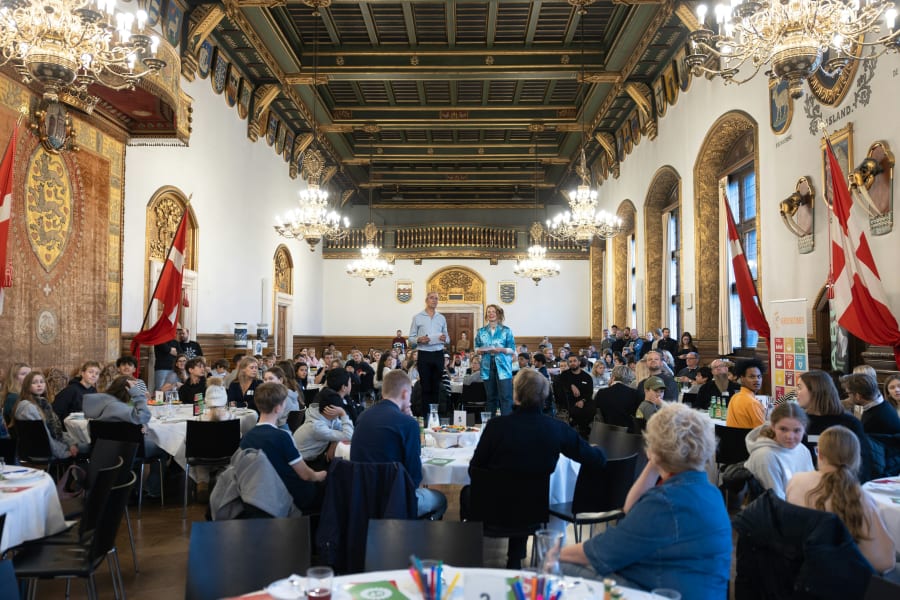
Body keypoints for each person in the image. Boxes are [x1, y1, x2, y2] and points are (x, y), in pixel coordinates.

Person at [559, 403, 731, 598]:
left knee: (562, 565)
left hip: (661, 592)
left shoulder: (664, 502)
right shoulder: (711, 493)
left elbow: (603, 551)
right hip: (695, 588)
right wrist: (655, 461)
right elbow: (629, 508)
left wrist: (553, 554)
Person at [468, 368, 607, 568]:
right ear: (545, 396)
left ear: (515, 395)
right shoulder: (556, 428)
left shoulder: (496, 426)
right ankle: (515, 559)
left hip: (491, 511)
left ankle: (470, 555)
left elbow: (474, 469)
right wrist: (599, 449)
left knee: (474, 492)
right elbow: (596, 460)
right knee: (524, 493)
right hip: (533, 511)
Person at [786, 425, 896, 574]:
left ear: (819, 454)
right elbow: (885, 562)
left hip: (799, 569)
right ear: (857, 458)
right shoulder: (860, 497)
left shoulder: (796, 481)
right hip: (844, 577)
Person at [350, 370, 447, 519]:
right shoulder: (408, 424)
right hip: (395, 500)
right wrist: (410, 420)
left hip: (362, 498)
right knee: (441, 499)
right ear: (405, 393)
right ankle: (413, 530)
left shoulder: (363, 417)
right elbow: (414, 476)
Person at [239, 382, 326, 513]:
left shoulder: (247, 437)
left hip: (259, 494)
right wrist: (321, 475)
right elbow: (305, 475)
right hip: (286, 493)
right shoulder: (282, 437)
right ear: (278, 408)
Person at [796, 370, 875, 482]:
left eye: (800, 388)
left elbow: (864, 464)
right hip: (807, 483)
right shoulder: (799, 422)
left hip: (844, 484)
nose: (796, 392)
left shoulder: (850, 423)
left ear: (815, 390)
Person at [744, 403, 815, 499]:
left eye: (797, 430)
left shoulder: (802, 449)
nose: (790, 436)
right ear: (773, 426)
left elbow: (811, 487)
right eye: (783, 429)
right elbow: (777, 500)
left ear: (804, 428)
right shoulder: (765, 456)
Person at [15, 372, 85, 459]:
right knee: (87, 447)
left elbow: (56, 432)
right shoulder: (28, 407)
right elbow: (45, 438)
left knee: (83, 444)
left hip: (51, 446)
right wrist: (63, 453)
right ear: (27, 386)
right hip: (43, 452)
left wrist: (70, 443)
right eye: (34, 382)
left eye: (41, 382)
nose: (39, 385)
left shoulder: (43, 403)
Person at [292, 376, 354, 472]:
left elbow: (348, 431)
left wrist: (334, 441)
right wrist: (343, 414)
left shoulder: (324, 416)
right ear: (329, 411)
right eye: (337, 411)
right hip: (302, 463)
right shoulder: (316, 426)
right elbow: (348, 435)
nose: (338, 415)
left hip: (315, 456)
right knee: (340, 468)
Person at [408, 291, 449, 416]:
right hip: (424, 354)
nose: (434, 300)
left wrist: (444, 338)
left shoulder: (441, 318)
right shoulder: (417, 317)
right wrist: (419, 339)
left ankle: (435, 416)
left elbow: (447, 338)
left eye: (436, 298)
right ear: (426, 300)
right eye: (432, 298)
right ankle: (425, 417)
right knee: (425, 387)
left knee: (436, 387)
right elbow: (410, 339)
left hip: (438, 354)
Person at [475, 304, 516, 416]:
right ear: (486, 315)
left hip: (503, 366)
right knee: (490, 397)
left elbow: (512, 349)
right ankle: (490, 422)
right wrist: (479, 351)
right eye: (489, 312)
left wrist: (500, 349)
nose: (491, 314)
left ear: (498, 314)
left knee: (506, 397)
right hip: (487, 365)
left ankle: (506, 422)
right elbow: (476, 347)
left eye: (493, 311)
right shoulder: (481, 331)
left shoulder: (506, 330)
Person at [555, 355, 594, 437]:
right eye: (570, 361)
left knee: (592, 408)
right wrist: (571, 385)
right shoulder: (564, 375)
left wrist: (582, 401)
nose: (572, 363)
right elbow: (558, 384)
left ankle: (583, 429)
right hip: (569, 401)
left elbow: (589, 392)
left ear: (579, 362)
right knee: (577, 411)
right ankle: (580, 430)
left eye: (574, 361)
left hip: (584, 400)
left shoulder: (587, 377)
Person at [595, 366, 641, 431]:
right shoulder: (634, 393)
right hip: (628, 432)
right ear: (629, 378)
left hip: (605, 430)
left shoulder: (601, 393)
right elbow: (637, 415)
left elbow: (596, 412)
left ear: (613, 377)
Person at [726, 358, 766, 428]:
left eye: (759, 376)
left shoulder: (734, 397)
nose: (757, 380)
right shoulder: (753, 403)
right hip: (750, 435)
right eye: (752, 377)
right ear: (742, 378)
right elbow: (762, 431)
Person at [263, 366, 300, 431]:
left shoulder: (283, 398)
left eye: (271, 379)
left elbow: (273, 421)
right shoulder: (289, 393)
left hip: (281, 430)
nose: (267, 382)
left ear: (280, 380)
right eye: (265, 379)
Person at [2, 362, 30, 426]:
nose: (28, 377)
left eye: (30, 374)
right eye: (23, 374)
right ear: (14, 378)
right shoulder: (13, 397)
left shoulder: (26, 395)